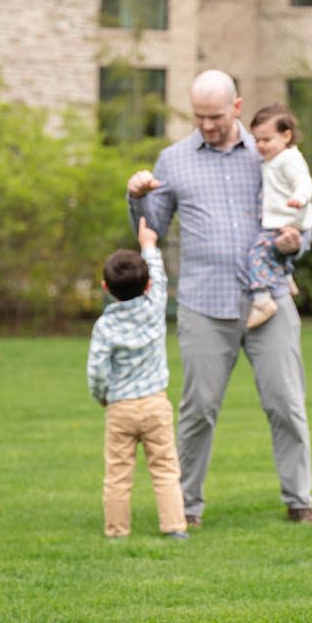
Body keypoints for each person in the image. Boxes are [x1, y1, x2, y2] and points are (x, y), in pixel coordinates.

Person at [125, 70, 312, 526]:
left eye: (214, 116)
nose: (207, 125)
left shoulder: (269, 150)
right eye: (198, 116)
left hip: (270, 300)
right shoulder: (173, 160)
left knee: (286, 403)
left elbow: (302, 218)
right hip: (203, 306)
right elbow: (151, 225)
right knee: (198, 410)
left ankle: (299, 501)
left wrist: (297, 244)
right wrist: (136, 197)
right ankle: (186, 508)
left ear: (236, 107)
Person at [87, 216, 188, 541]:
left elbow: (97, 369)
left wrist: (101, 394)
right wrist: (148, 245)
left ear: (105, 288)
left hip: (120, 407)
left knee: (118, 473)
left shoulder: (105, 326)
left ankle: (117, 531)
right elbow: (157, 275)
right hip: (156, 405)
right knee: (165, 470)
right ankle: (174, 527)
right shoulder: (154, 306)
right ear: (147, 287)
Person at [245, 104, 312, 331]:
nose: (261, 145)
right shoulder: (274, 159)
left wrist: (300, 196)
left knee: (257, 252)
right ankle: (286, 277)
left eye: (267, 139)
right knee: (275, 251)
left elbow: (305, 182)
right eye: (257, 140)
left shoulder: (288, 159)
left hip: (290, 220)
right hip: (286, 220)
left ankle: (262, 300)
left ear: (286, 135)